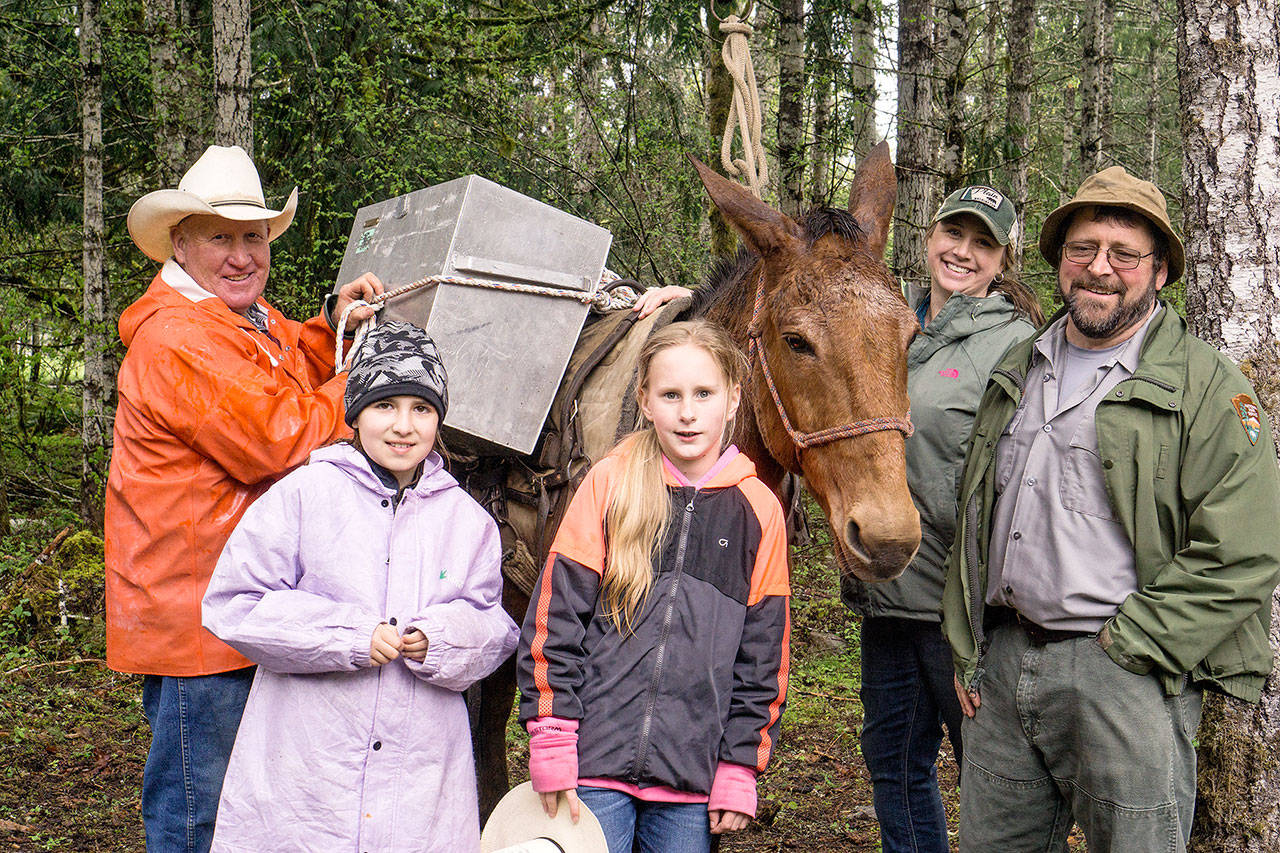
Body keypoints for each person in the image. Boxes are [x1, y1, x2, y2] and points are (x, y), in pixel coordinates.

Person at [940, 166, 1280, 851]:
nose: (1099, 267)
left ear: (1159, 273)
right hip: (1004, 667)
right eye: (1082, 248)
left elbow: (1247, 548)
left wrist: (1136, 644)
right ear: (1059, 261)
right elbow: (977, 511)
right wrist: (967, 639)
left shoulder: (1206, 387)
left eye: (1123, 253)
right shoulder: (1019, 364)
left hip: (1123, 674)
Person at [105, 144, 383, 852]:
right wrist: (375, 379)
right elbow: (280, 436)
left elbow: (292, 357)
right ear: (181, 242)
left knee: (249, 802)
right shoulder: (178, 336)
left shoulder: (242, 318)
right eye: (220, 237)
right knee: (202, 809)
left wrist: (336, 324)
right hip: (199, 614)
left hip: (234, 598)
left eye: (252, 237)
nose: (240, 255)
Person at [202, 321, 519, 851]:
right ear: (354, 414)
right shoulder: (304, 494)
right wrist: (349, 635)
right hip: (310, 767)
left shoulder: (468, 521)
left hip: (419, 775)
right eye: (384, 406)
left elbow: (494, 626)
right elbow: (235, 604)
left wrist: (440, 638)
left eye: (421, 408)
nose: (403, 426)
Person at [517, 319, 791, 853]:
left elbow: (764, 660)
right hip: (593, 767)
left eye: (704, 394)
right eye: (671, 395)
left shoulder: (759, 511)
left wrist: (740, 766)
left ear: (733, 400)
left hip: (691, 781)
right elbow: (555, 621)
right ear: (644, 400)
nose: (688, 413)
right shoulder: (610, 483)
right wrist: (551, 736)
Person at [843, 185, 1042, 853]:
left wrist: (984, 622)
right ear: (930, 237)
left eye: (983, 243)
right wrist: (680, 300)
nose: (963, 252)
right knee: (895, 768)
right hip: (887, 592)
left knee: (990, 778)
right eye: (953, 235)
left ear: (1003, 259)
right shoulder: (889, 317)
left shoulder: (1016, 345)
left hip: (960, 612)